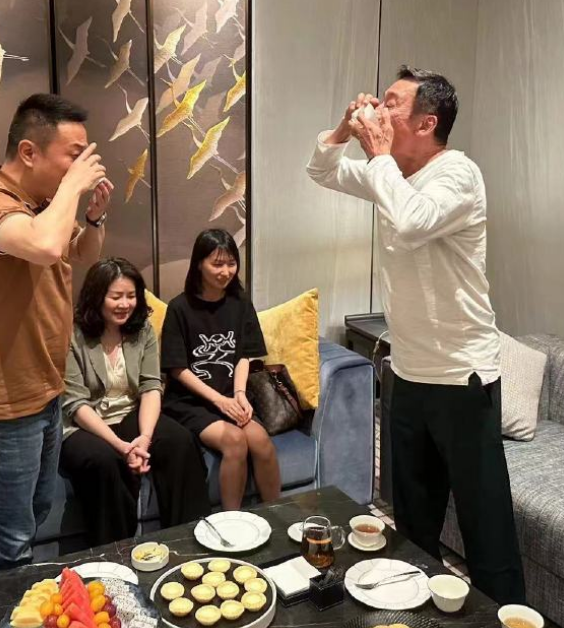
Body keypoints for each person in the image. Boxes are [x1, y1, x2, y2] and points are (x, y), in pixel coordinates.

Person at [306, 66, 525, 604]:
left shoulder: (458, 175)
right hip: (407, 373)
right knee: (411, 521)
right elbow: (321, 169)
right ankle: (413, 609)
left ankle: (504, 614)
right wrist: (344, 129)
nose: (379, 111)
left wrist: (379, 155)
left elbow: (411, 220)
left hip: (462, 377)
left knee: (485, 525)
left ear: (427, 123)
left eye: (392, 103)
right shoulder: (390, 171)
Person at [0, 93, 114, 573]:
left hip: (43, 390)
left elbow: (82, 253)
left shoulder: (38, 204)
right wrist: (72, 189)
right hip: (4, 402)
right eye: (73, 155)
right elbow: (43, 246)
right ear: (28, 151)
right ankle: (3, 604)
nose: (82, 166)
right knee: (9, 542)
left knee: (35, 513)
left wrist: (93, 217)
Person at [60, 258, 211, 546]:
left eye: (131, 296)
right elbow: (75, 405)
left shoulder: (142, 330)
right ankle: (115, 553)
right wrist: (121, 446)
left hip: (129, 412)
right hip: (84, 423)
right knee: (105, 461)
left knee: (179, 442)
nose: (125, 304)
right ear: (96, 296)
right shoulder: (72, 334)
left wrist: (145, 438)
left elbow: (151, 386)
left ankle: (188, 542)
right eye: (116, 297)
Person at [161, 229, 281, 511]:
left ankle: (277, 515)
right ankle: (231, 522)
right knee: (235, 441)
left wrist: (239, 394)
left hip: (230, 396)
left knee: (261, 442)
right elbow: (177, 369)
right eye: (217, 264)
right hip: (190, 402)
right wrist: (219, 401)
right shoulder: (179, 308)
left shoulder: (240, 303)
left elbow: (244, 355)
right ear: (199, 264)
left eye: (231, 263)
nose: (225, 271)